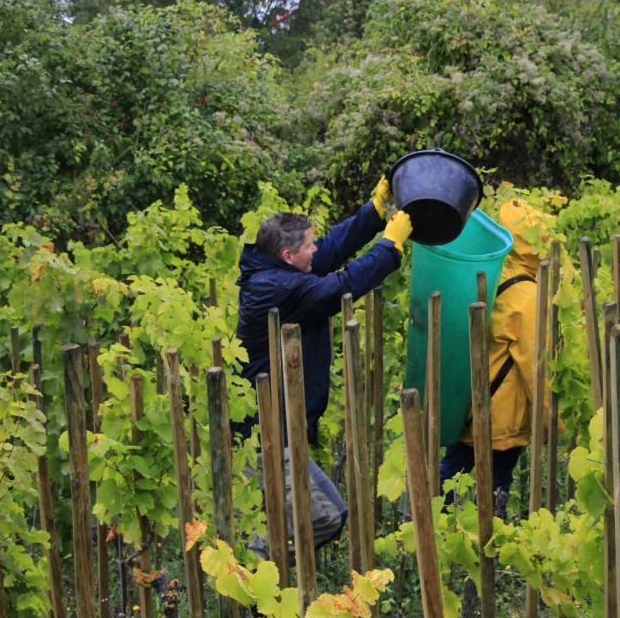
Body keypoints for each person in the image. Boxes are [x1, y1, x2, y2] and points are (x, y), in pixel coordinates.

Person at [235, 176, 413, 550]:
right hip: (266, 434)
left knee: (325, 517)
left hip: (282, 427)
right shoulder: (279, 287)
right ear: (288, 256)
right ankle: (254, 567)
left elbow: (329, 250)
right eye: (308, 245)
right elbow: (341, 286)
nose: (315, 249)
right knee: (323, 518)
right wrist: (390, 246)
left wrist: (375, 211)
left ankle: (265, 567)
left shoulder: (279, 269)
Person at [438, 199, 556, 516]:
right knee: (495, 489)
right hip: (500, 416)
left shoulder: (487, 271)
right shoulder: (527, 295)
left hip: (466, 405)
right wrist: (548, 419)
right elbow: (535, 365)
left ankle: (433, 534)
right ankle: (489, 539)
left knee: (449, 481)